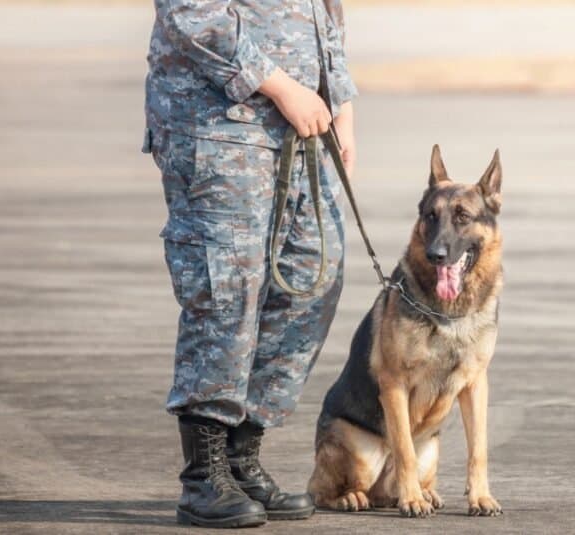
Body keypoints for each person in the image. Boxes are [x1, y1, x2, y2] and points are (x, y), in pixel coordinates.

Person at [142, 0, 358, 528]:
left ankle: (242, 454)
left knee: (313, 276)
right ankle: (204, 473)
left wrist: (343, 104)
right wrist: (282, 88)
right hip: (219, 129)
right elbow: (192, 13)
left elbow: (325, 14)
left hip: (304, 130)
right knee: (227, 288)